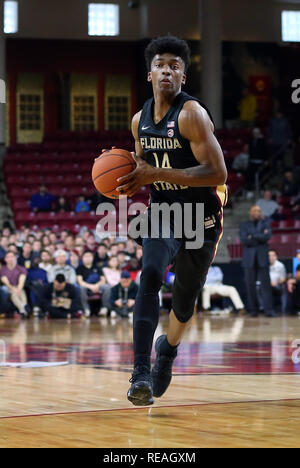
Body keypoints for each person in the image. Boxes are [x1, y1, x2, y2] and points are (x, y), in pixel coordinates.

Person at [108, 35, 227, 405]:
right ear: (150, 74)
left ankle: (168, 351)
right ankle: (140, 371)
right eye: (161, 64)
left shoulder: (191, 115)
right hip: (164, 212)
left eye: (175, 66)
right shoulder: (139, 121)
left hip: (201, 217)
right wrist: (126, 180)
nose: (167, 71)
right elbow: (143, 170)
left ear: (182, 78)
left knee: (184, 302)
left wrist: (152, 176)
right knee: (152, 275)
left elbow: (218, 173)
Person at [240, 205, 275, 317]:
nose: (257, 212)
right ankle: (253, 310)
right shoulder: (244, 225)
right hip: (249, 259)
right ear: (250, 212)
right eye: (254, 210)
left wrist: (252, 236)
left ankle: (268, 310)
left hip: (262, 258)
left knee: (266, 286)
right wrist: (260, 236)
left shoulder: (265, 224)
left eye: (259, 211)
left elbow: (267, 237)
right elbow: (244, 240)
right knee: (250, 287)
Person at [76, 250, 111, 317]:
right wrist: (91, 286)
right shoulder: (79, 268)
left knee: (107, 287)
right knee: (81, 288)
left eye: (89, 256)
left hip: (98, 286)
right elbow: (80, 281)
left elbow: (103, 280)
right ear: (82, 258)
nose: (88, 258)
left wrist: (96, 285)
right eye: (86, 256)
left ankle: (104, 308)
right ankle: (86, 309)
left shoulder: (97, 267)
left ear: (92, 258)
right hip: (86, 286)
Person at [0, 251, 30, 317]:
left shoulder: (21, 268)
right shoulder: (3, 270)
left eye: (12, 257)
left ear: (15, 258)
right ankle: (24, 308)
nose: (10, 259)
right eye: (8, 257)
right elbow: (6, 282)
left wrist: (18, 289)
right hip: (8, 287)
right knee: (13, 294)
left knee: (21, 292)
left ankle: (23, 309)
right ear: (5, 259)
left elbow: (22, 281)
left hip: (18, 286)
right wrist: (14, 289)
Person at [269, 250, 288, 315]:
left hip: (278, 285)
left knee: (283, 288)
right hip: (267, 285)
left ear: (276, 257)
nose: (271, 257)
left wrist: (276, 283)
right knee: (258, 288)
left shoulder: (280, 265)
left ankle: (284, 309)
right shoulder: (264, 265)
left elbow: (283, 279)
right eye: (269, 256)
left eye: (273, 255)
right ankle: (263, 308)